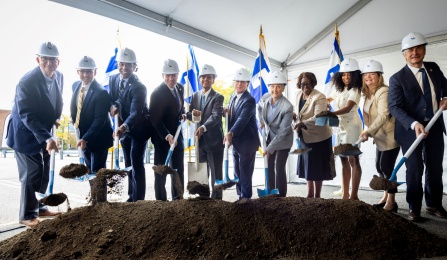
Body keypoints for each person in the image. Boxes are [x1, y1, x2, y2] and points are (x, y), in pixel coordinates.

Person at [389, 32, 447, 222]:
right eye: (410, 50)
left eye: (419, 48)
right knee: (414, 168)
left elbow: (445, 87)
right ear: (404, 54)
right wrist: (414, 123)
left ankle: (434, 204)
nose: (415, 52)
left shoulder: (433, 68)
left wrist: (445, 97)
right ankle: (414, 208)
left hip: (435, 126)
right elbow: (395, 107)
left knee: (435, 166)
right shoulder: (397, 78)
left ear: (424, 50)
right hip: (410, 130)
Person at [6, 42, 63, 227]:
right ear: (38, 59)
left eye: (52, 59)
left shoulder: (58, 77)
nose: (49, 62)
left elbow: (56, 100)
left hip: (44, 130)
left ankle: (40, 206)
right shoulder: (27, 82)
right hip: (24, 133)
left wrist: (55, 118)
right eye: (45, 59)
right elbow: (26, 115)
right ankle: (27, 215)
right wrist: (47, 138)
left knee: (44, 170)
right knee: (32, 173)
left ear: (58, 62)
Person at [109, 47, 153, 202]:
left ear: (135, 67)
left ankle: (138, 201)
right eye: (121, 64)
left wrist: (123, 127)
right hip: (123, 129)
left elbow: (135, 113)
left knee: (136, 162)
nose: (124, 68)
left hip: (139, 129)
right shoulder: (113, 79)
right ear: (117, 64)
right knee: (127, 163)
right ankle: (131, 196)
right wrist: (112, 106)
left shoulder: (139, 87)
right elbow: (112, 98)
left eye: (128, 65)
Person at [70, 56, 113, 203]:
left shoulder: (101, 92)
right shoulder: (76, 85)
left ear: (95, 72)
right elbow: (75, 107)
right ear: (78, 72)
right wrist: (73, 119)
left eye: (89, 72)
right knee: (89, 170)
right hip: (84, 137)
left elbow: (99, 120)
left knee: (98, 170)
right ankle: (94, 198)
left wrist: (85, 138)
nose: (85, 75)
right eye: (82, 71)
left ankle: (101, 202)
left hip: (99, 137)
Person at [359, 60, 400, 212]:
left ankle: (392, 201)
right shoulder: (368, 93)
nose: (368, 77)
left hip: (389, 136)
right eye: (366, 75)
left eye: (372, 74)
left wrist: (368, 132)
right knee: (380, 167)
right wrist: (369, 131)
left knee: (387, 168)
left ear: (379, 76)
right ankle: (385, 197)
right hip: (379, 136)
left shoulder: (383, 91)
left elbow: (383, 115)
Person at [186, 64, 224, 199]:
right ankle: (203, 199)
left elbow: (216, 116)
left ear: (213, 80)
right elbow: (190, 114)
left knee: (216, 175)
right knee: (202, 174)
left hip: (214, 143)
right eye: (203, 77)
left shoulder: (218, 97)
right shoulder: (195, 96)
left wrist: (203, 127)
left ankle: (217, 202)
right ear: (199, 79)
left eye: (209, 77)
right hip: (199, 142)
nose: (205, 80)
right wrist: (189, 114)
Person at [294, 72, 334, 198]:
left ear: (314, 83)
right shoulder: (298, 94)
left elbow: (319, 117)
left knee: (317, 168)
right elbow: (298, 112)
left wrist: (302, 123)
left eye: (308, 84)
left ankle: (317, 196)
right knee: (308, 166)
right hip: (304, 136)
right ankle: (310, 194)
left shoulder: (320, 97)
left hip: (319, 137)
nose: (305, 87)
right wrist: (295, 117)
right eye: (303, 84)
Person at [150, 59, 185, 201]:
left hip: (177, 138)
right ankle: (161, 202)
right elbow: (155, 119)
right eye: (168, 75)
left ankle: (178, 199)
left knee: (178, 170)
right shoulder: (157, 93)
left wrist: (183, 113)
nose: (171, 79)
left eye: (174, 75)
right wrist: (167, 135)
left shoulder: (180, 88)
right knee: (161, 172)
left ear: (178, 75)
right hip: (162, 139)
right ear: (163, 75)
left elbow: (179, 109)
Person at [328, 58, 363, 200]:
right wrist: (322, 103)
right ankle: (345, 194)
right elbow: (328, 99)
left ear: (354, 75)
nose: (346, 77)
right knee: (343, 160)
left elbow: (347, 108)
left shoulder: (355, 89)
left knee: (353, 160)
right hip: (341, 128)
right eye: (343, 74)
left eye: (349, 74)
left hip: (352, 127)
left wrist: (330, 113)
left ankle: (354, 195)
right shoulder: (340, 90)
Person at [224, 68, 260, 200]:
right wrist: (226, 113)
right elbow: (233, 117)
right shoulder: (233, 96)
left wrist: (231, 133)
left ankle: (246, 199)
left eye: (242, 82)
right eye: (237, 81)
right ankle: (240, 196)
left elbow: (242, 119)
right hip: (236, 142)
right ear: (234, 82)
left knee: (245, 172)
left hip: (248, 142)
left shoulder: (249, 100)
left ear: (247, 84)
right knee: (237, 171)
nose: (239, 84)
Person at [258, 71, 293, 197]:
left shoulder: (287, 107)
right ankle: (271, 193)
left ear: (283, 87)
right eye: (272, 86)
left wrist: (270, 148)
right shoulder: (265, 98)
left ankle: (281, 196)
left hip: (283, 140)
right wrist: (262, 121)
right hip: (269, 136)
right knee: (269, 165)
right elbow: (259, 108)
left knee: (279, 167)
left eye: (278, 86)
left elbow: (283, 131)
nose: (275, 89)